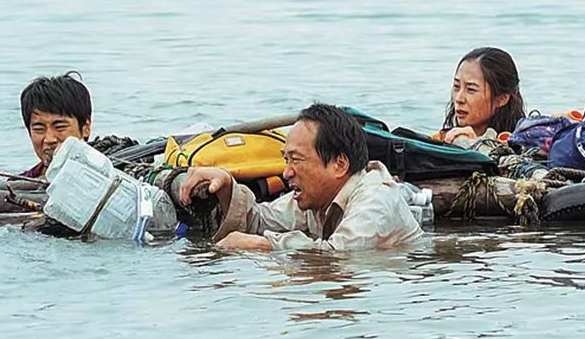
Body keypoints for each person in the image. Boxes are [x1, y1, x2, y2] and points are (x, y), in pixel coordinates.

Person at [178, 103, 424, 252]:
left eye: (296, 160)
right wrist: (226, 185)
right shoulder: (316, 196)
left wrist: (267, 246)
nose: (286, 173)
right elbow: (261, 222)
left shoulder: (375, 199)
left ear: (339, 164)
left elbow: (340, 254)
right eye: (286, 160)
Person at [440, 47, 526, 149]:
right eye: (456, 87)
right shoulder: (443, 139)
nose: (459, 99)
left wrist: (475, 144)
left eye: (471, 90)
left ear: (502, 98)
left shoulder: (521, 148)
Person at [19, 72, 93, 178]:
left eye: (60, 127)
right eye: (39, 129)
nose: (49, 139)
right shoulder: (17, 185)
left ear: (86, 127)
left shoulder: (112, 172)